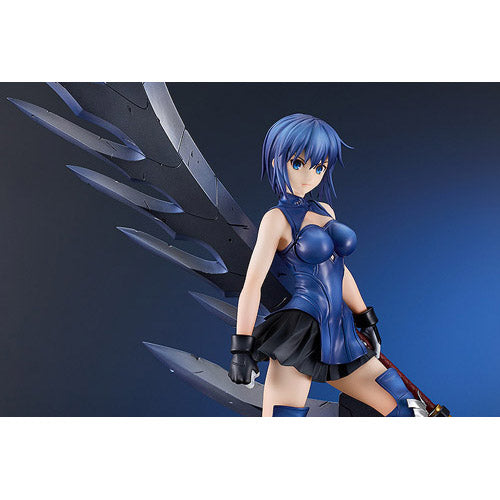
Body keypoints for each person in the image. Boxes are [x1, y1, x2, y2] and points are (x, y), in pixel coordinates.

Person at [228, 113, 427, 417]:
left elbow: (339, 271)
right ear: (277, 161)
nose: (309, 176)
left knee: (405, 407)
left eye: (319, 167)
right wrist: (241, 348)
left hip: (340, 330)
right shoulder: (276, 220)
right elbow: (252, 284)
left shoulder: (325, 210)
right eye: (298, 163)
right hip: (299, 332)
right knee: (283, 420)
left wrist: (364, 317)